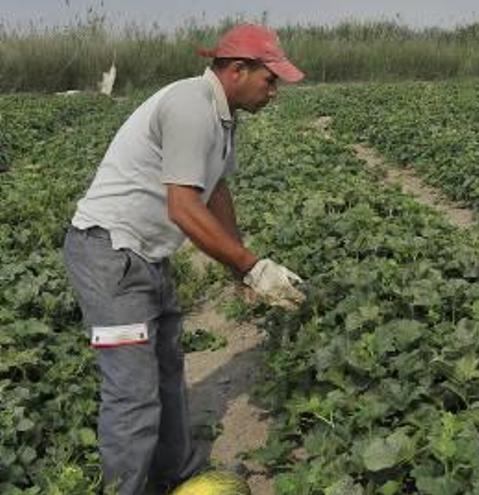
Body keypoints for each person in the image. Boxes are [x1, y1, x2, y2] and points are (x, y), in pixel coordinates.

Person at [62, 24, 307, 494]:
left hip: (146, 256)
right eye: (270, 79)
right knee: (133, 394)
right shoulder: (191, 106)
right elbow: (184, 207)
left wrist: (242, 268)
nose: (274, 92)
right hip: (109, 255)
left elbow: (215, 192)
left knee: (169, 371)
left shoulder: (222, 116)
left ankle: (175, 476)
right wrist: (252, 264)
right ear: (237, 70)